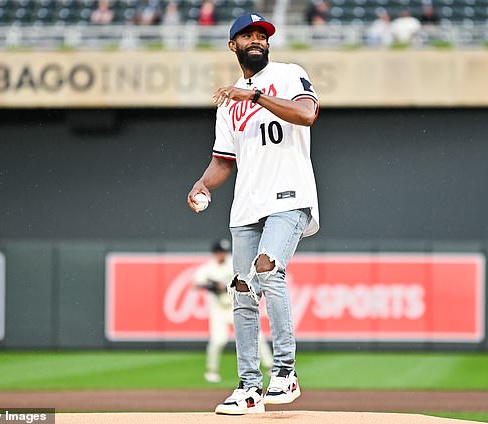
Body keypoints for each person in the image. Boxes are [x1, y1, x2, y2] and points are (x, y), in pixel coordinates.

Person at [187, 12, 320, 415]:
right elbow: (224, 161)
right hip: (247, 204)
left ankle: (286, 370)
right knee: (242, 291)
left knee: (267, 267)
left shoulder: (288, 74)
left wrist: (257, 96)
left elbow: (307, 113)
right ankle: (248, 388)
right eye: (247, 35)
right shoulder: (229, 104)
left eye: (262, 34)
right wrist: (203, 185)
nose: (257, 40)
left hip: (290, 197)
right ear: (234, 46)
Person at [192, 238, 273, 384]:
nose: (221, 254)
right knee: (218, 340)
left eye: (223, 252)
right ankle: (212, 371)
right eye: (218, 252)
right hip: (219, 309)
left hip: (237, 305)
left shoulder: (233, 263)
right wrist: (211, 286)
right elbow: (195, 283)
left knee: (258, 337)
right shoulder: (209, 267)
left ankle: (269, 367)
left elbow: (246, 279)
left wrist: (225, 286)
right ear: (215, 253)